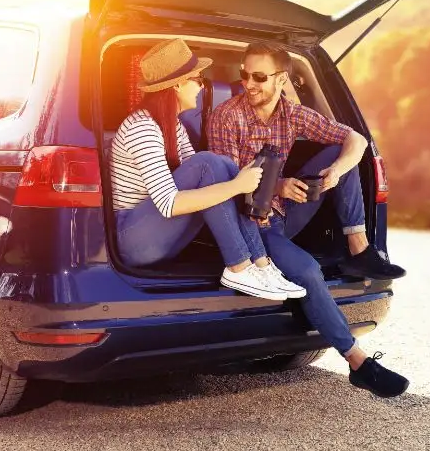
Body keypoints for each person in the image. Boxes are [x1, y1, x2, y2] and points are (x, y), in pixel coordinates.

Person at [207, 41, 409, 398]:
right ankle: (359, 363)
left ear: (282, 79)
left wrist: (336, 172)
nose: (248, 83)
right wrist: (279, 185)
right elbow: (229, 186)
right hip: (252, 225)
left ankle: (359, 250)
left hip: (286, 213)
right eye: (244, 75)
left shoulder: (293, 114)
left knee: (339, 154)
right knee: (309, 271)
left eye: (258, 77)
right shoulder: (227, 116)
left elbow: (356, 140)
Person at [110, 38, 306, 301]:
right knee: (211, 163)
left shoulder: (173, 126)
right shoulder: (142, 128)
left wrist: (235, 181)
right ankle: (238, 267)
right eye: (197, 79)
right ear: (177, 84)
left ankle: (260, 264)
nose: (202, 86)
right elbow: (169, 204)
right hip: (134, 241)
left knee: (222, 165)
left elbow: (207, 178)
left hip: (160, 237)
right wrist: (237, 186)